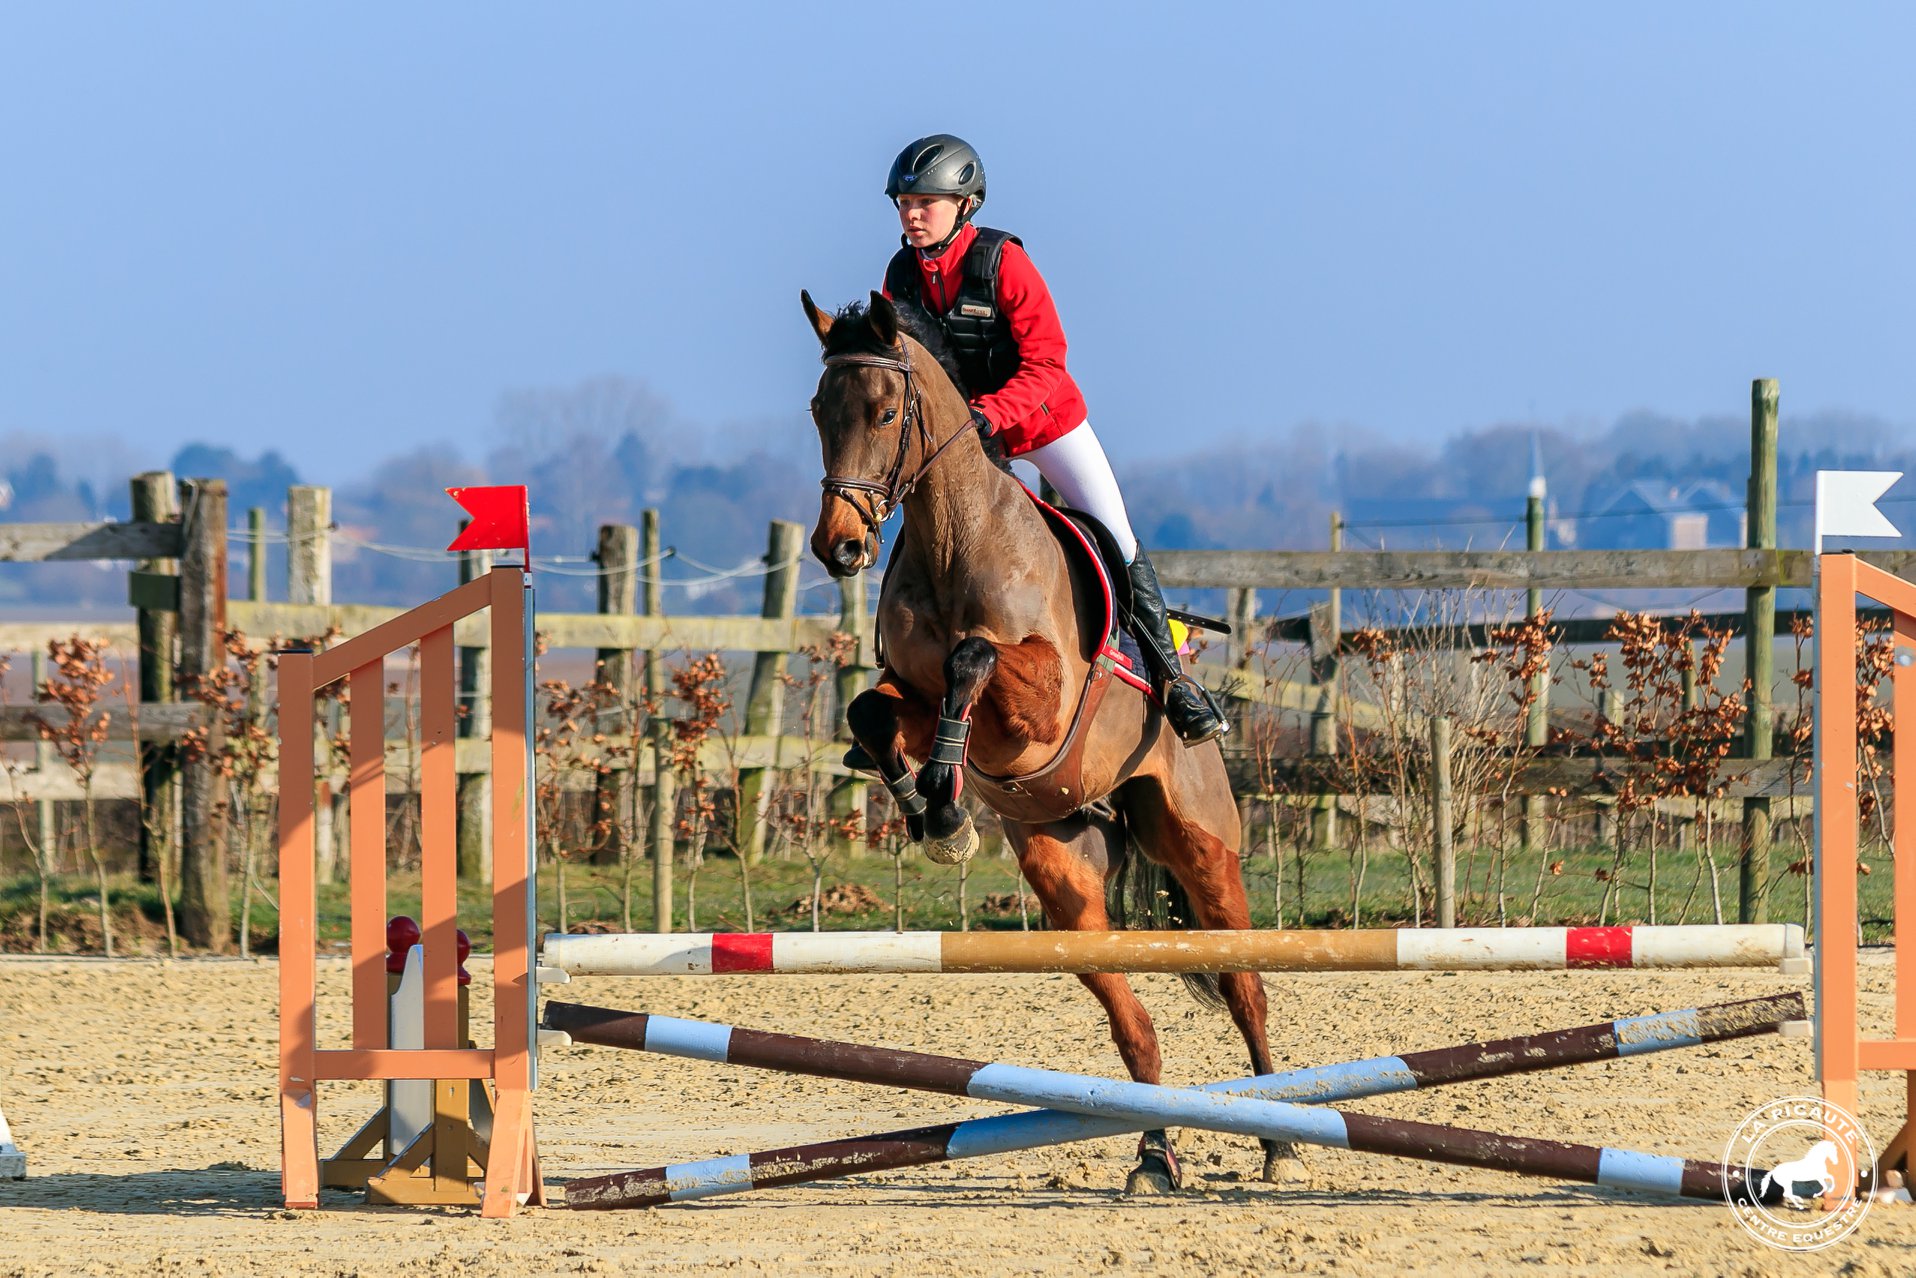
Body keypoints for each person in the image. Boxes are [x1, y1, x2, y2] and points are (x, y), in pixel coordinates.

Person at [880, 133, 1228, 745]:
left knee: (1113, 534)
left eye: (926, 201)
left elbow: (1047, 364)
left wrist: (987, 416)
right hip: (964, 443)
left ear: (965, 205)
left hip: (1043, 424)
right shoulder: (900, 275)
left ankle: (1172, 681)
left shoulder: (1003, 263)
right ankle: (896, 677)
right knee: (918, 541)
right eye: (905, 201)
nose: (911, 213)